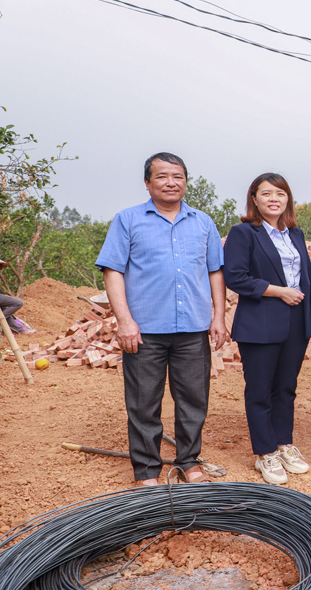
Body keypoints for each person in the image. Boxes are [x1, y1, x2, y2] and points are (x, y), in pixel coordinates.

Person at [96, 152, 227, 487]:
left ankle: (189, 461)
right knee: (143, 402)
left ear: (186, 181)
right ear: (147, 183)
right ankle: (146, 472)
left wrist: (218, 317)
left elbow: (215, 272)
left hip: (193, 329)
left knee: (194, 400)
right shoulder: (128, 220)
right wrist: (124, 321)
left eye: (178, 176)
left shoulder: (203, 222)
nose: (171, 183)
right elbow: (113, 272)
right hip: (144, 331)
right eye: (163, 176)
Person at [223, 173, 311, 485]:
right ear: (254, 199)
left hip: (296, 324)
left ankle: (284, 444)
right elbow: (235, 276)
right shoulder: (244, 233)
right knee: (260, 390)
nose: (274, 198)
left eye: (280, 193)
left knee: (286, 388)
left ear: (288, 199)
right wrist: (279, 291)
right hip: (260, 323)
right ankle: (265, 453)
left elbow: (307, 280)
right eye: (266, 193)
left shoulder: (295, 234)